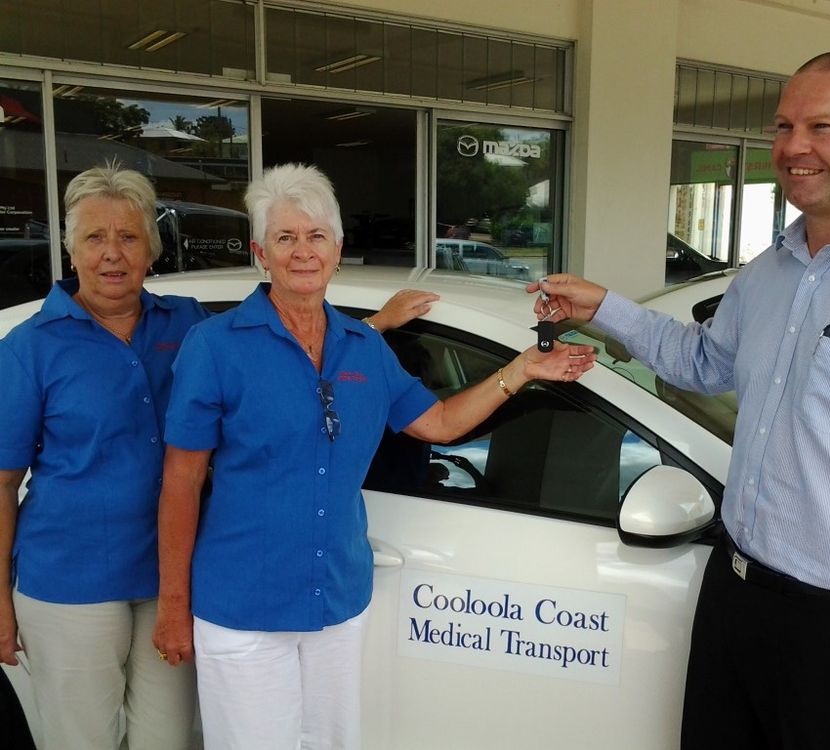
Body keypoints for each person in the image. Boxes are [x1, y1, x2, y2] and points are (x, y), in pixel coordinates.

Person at [528, 49, 830, 749]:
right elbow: (702, 361)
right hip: (736, 597)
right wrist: (605, 308)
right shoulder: (770, 270)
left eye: (821, 127)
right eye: (783, 127)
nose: (793, 148)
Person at [152, 162, 596, 750]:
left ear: (337, 249)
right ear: (262, 252)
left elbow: (438, 423)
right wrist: (174, 607)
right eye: (286, 237)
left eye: (316, 236)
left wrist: (520, 370)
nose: (302, 251)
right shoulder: (214, 346)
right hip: (242, 605)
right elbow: (181, 482)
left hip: (336, 598)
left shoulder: (364, 346)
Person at [0, 164, 207, 749]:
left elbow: (270, 363)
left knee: (165, 741)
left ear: (151, 251)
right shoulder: (30, 347)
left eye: (128, 237)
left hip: (170, 579)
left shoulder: (188, 323)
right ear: (71, 251)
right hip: (68, 583)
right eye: (94, 237)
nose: (111, 254)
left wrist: (370, 328)